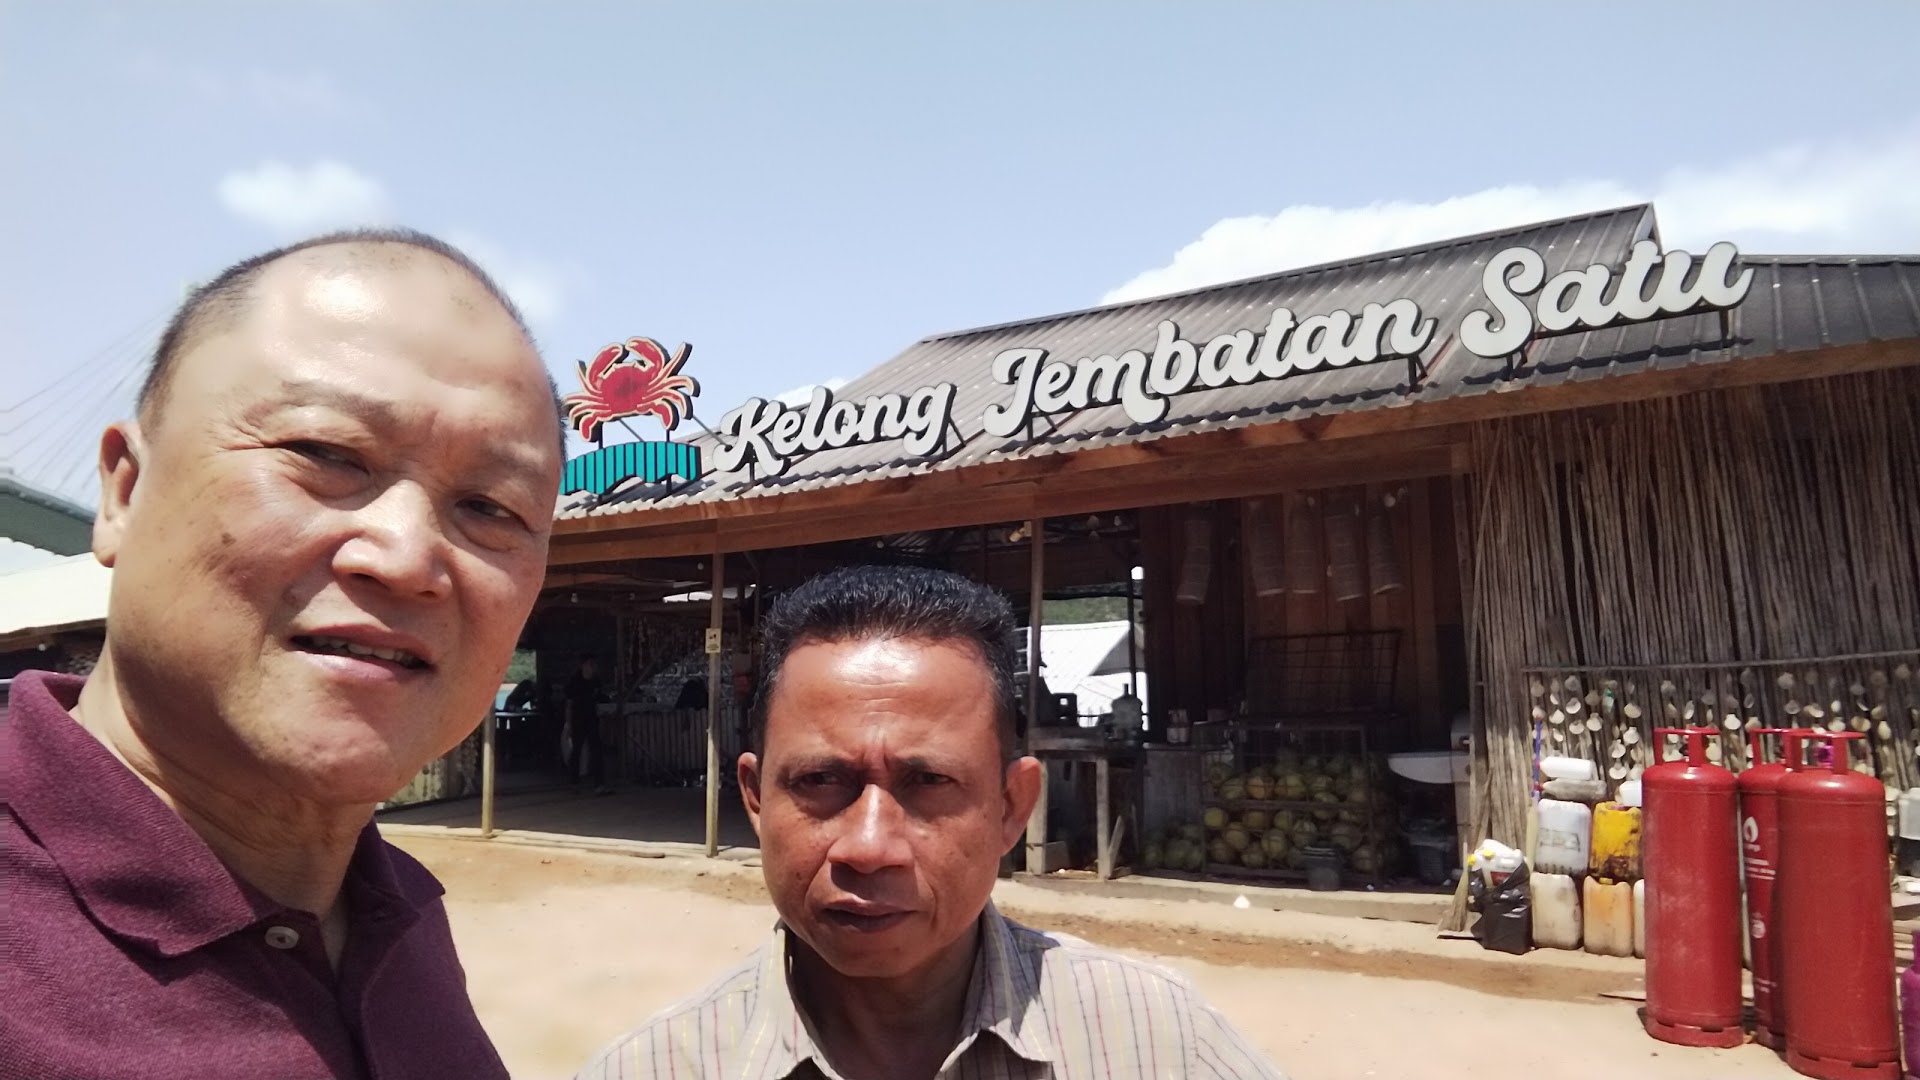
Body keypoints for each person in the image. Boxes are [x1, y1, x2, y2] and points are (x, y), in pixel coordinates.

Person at [0, 228, 565, 1079]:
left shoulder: (397, 912)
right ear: (123, 492)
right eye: (325, 454)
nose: (407, 556)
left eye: (491, 509)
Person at [575, 565, 1286, 1080]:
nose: (868, 847)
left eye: (929, 783)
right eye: (821, 781)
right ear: (757, 800)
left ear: (1011, 807)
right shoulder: (654, 1067)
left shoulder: (1159, 1045)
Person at [565, 655, 611, 794]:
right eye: (590, 664)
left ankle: (599, 784)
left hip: (592, 719)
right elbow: (569, 704)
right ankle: (574, 782)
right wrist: (569, 723)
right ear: (583, 665)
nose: (592, 668)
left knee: (596, 750)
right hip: (578, 720)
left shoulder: (596, 681)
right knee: (576, 750)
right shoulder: (575, 682)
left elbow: (599, 700)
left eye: (594, 665)